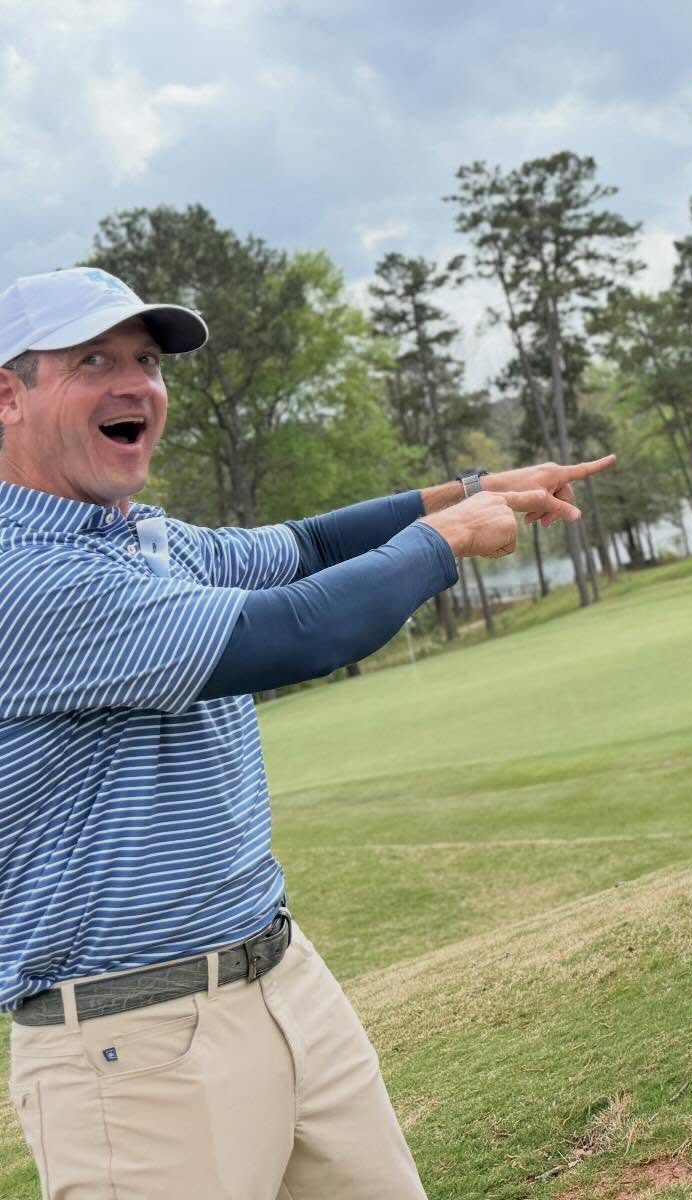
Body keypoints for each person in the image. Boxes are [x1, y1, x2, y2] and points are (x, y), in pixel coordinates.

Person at [0, 265, 612, 1200]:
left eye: (146, 360)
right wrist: (449, 540)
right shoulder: (29, 579)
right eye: (92, 360)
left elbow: (311, 548)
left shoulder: (144, 537)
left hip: (283, 981)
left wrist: (476, 488)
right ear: (10, 394)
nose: (135, 383)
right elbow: (294, 632)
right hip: (132, 1053)